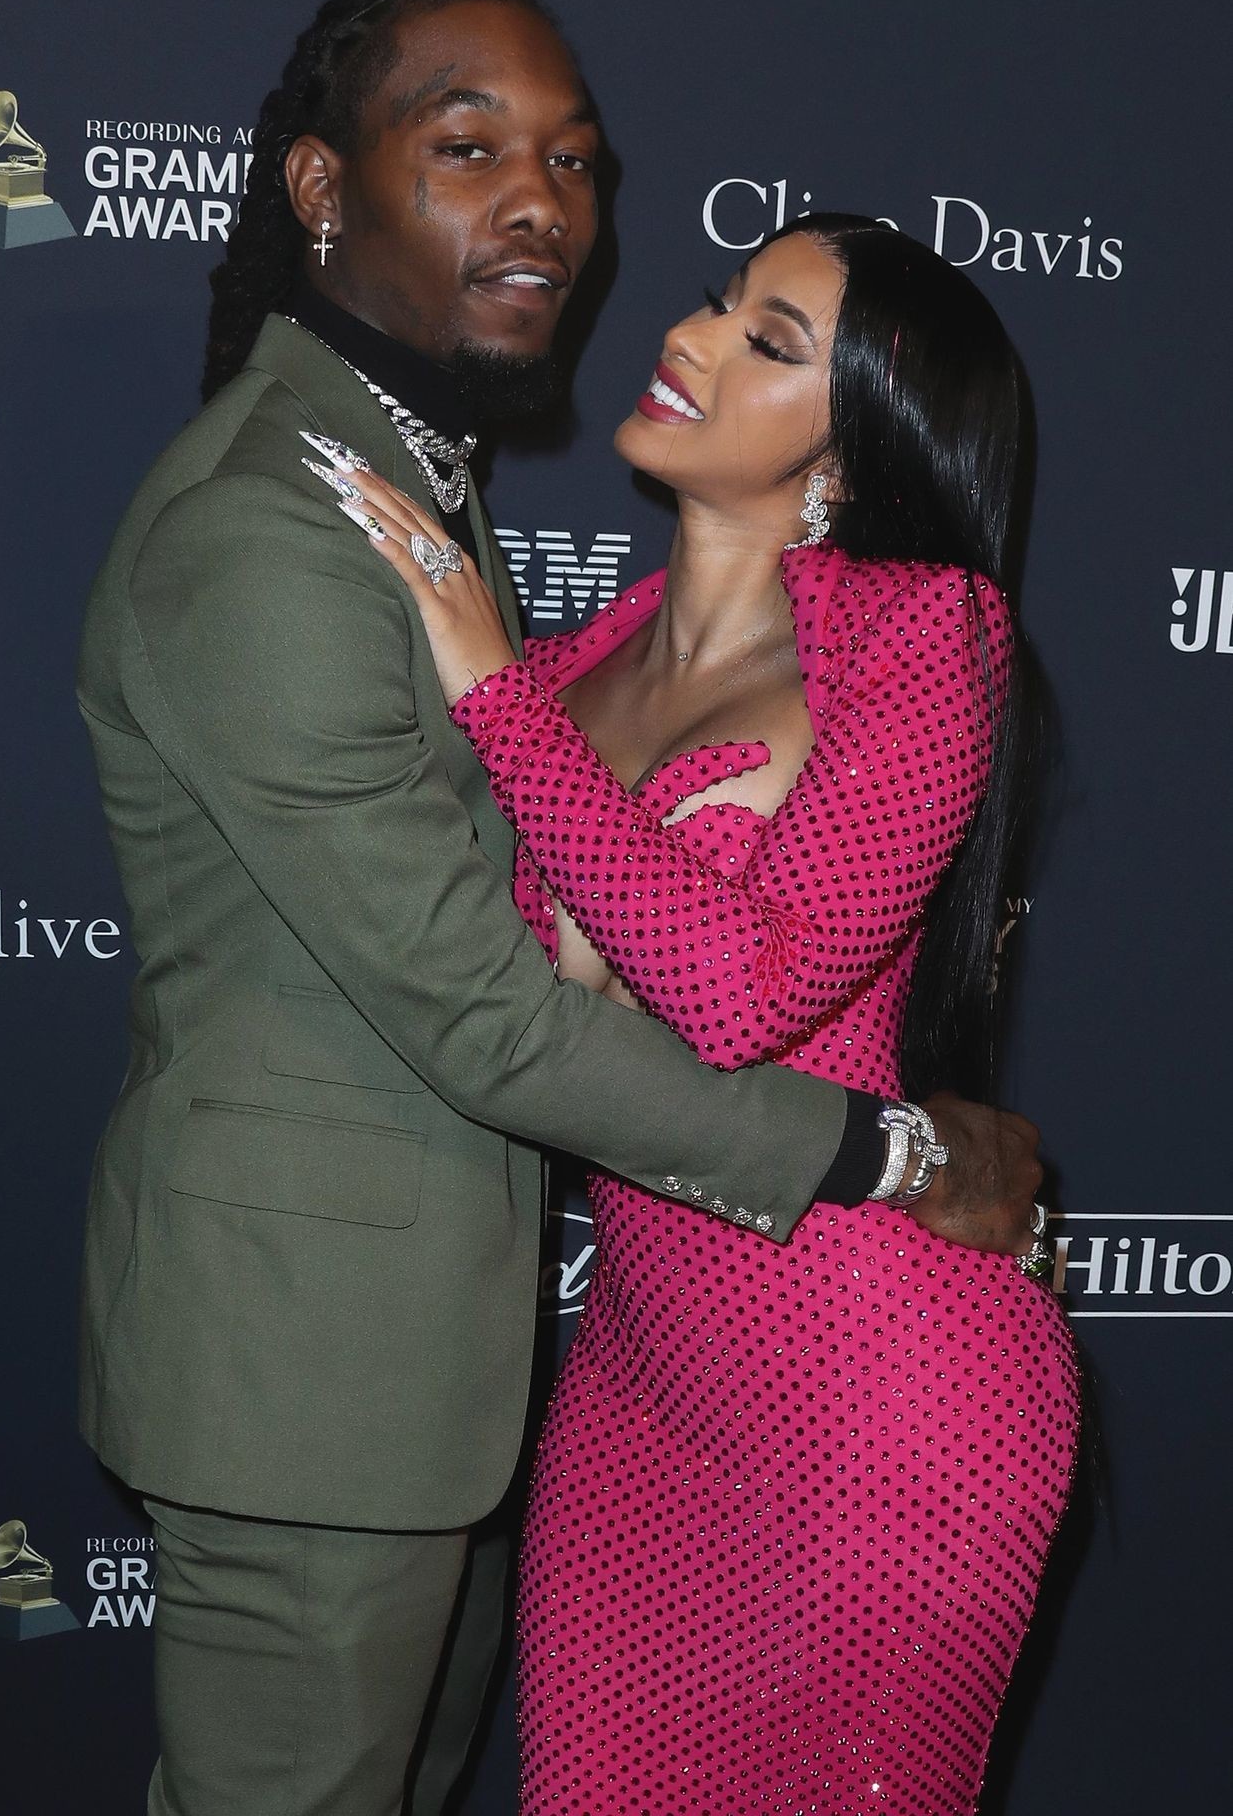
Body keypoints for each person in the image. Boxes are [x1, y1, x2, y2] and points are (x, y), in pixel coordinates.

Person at [76, 0, 1048, 1816]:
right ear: (321, 186)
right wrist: (892, 1150)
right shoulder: (300, 537)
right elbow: (491, 1007)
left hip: (805, 1383)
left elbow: (705, 970)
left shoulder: (475, 546)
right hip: (362, 1382)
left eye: (576, 160)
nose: (545, 202)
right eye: (468, 146)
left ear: (850, 450)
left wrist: (509, 712)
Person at [355, 215, 1080, 1812]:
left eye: (769, 340)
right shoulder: (565, 668)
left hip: (884, 1399)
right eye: (715, 302)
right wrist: (503, 694)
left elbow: (745, 992)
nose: (689, 337)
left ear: (850, 449)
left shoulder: (925, 635)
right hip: (641, 1388)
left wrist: (495, 701)